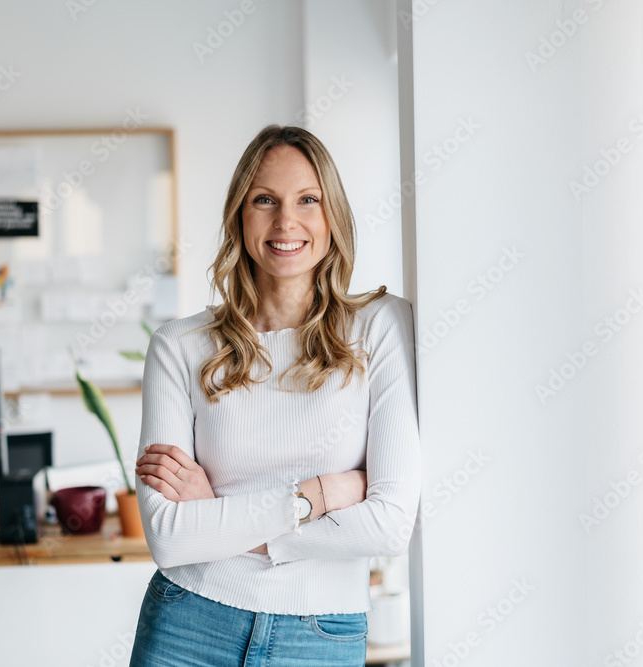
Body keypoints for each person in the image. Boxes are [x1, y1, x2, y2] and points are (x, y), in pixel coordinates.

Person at [127, 124, 422, 666]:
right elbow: (170, 537)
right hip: (189, 622)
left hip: (320, 635)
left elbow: (390, 522)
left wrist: (217, 516)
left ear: (332, 215)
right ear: (240, 215)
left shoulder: (381, 326)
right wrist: (321, 495)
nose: (287, 222)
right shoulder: (179, 347)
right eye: (265, 200)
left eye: (308, 200)